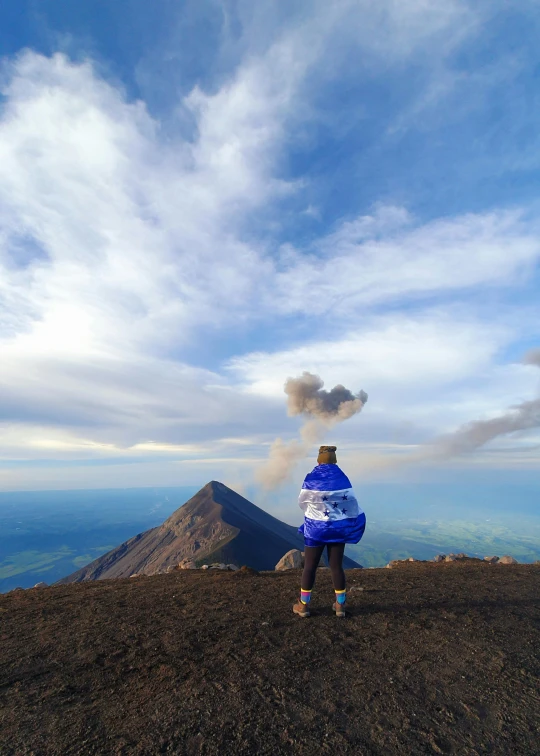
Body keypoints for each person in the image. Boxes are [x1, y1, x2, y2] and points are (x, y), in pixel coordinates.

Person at [293, 445, 366, 618]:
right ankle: (340, 606)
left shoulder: (311, 478)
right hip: (337, 530)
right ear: (335, 460)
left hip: (315, 530)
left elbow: (302, 502)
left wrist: (313, 514)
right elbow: (351, 502)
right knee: (336, 566)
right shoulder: (343, 478)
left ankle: (303, 606)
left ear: (318, 460)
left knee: (310, 567)